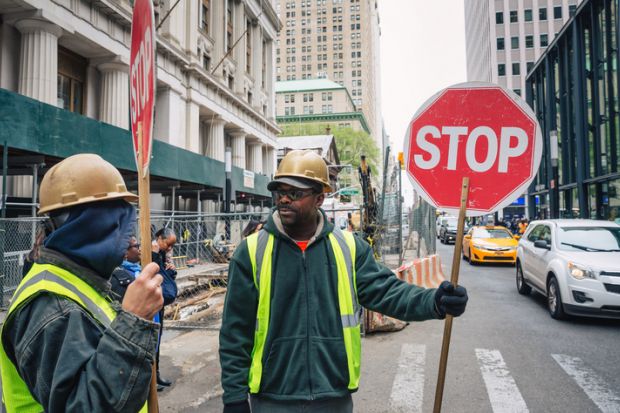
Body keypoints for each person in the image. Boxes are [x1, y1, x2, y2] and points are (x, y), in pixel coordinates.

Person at [219, 150, 468, 413]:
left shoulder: (349, 248)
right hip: (271, 399)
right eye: (279, 191)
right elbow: (235, 332)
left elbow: (388, 292)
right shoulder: (251, 252)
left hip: (333, 397)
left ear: (319, 198)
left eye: (294, 193)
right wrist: (234, 397)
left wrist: (434, 302)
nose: (283, 199)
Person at [0, 153, 163, 413]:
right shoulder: (50, 304)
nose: (128, 238)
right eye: (118, 224)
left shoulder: (82, 281)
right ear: (90, 226)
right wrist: (133, 322)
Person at [111, 236, 166, 391]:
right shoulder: (124, 277)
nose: (140, 249)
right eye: (136, 246)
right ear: (125, 253)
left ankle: (154, 376)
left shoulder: (138, 270)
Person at [151, 227, 178, 388]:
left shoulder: (162, 254)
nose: (169, 249)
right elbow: (149, 271)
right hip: (150, 302)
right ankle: (150, 377)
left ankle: (157, 374)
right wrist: (155, 255)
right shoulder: (149, 251)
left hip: (159, 301)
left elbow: (164, 276)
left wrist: (171, 270)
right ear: (159, 238)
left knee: (158, 338)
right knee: (152, 338)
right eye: (168, 244)